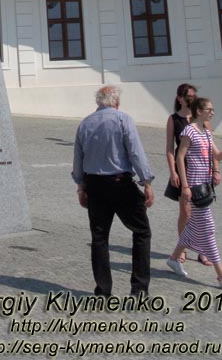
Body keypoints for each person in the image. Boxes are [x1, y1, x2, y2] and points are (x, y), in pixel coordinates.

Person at [72, 85, 154, 297]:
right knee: (142, 231)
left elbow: (78, 158)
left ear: (98, 102)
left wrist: (81, 187)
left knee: (99, 238)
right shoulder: (123, 119)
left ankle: (103, 290)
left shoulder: (85, 123)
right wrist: (146, 181)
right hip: (120, 184)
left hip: (94, 185)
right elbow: (135, 152)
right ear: (116, 102)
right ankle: (139, 289)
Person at [166, 97, 222, 288]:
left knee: (193, 227)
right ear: (199, 111)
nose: (212, 112)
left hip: (205, 186)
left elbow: (216, 156)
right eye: (209, 109)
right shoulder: (189, 131)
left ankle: (174, 258)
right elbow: (179, 156)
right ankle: (221, 275)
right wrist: (184, 186)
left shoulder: (207, 133)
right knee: (208, 228)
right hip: (194, 187)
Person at [165, 83, 212, 266]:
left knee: (201, 211)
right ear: (179, 98)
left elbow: (210, 145)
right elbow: (170, 148)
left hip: (201, 169)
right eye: (187, 96)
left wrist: (215, 169)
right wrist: (172, 171)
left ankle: (202, 251)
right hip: (183, 169)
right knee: (185, 211)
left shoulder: (201, 117)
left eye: (193, 95)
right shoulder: (173, 119)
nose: (190, 98)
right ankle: (182, 248)